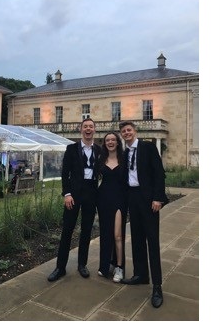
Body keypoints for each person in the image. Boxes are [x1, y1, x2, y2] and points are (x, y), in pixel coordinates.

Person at [119, 121, 169, 308]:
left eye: (129, 130)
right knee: (137, 239)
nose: (126, 133)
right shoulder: (124, 153)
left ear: (135, 131)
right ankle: (141, 275)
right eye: (123, 131)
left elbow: (159, 173)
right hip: (133, 198)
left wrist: (158, 198)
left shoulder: (148, 147)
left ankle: (157, 286)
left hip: (149, 200)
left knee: (152, 241)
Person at [47, 118, 101, 282]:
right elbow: (65, 173)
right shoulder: (71, 149)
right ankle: (60, 267)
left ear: (94, 130)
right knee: (67, 231)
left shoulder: (99, 150)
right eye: (85, 127)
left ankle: (82, 265)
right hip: (74, 194)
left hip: (91, 193)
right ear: (81, 130)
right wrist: (67, 194)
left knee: (86, 231)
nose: (88, 129)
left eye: (91, 127)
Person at [97, 132, 128, 282]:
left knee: (117, 235)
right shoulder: (101, 159)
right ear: (105, 143)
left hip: (119, 199)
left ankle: (119, 267)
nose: (110, 142)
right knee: (105, 234)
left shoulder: (124, 158)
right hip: (103, 199)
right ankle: (105, 265)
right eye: (107, 140)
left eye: (113, 140)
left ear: (117, 142)